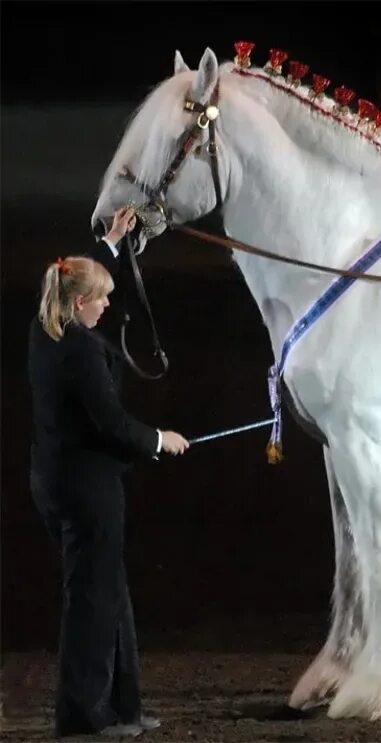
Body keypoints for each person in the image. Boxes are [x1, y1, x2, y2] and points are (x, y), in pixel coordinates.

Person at [28, 209, 190, 738]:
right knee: (92, 603)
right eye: (102, 299)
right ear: (80, 304)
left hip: (65, 483)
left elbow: (78, 272)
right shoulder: (79, 351)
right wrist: (159, 440)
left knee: (107, 595)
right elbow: (113, 423)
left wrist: (113, 242)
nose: (107, 305)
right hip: (85, 490)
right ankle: (83, 716)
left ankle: (120, 707)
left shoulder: (46, 325)